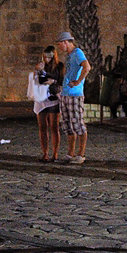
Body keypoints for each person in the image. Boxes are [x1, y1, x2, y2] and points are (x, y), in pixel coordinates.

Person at [55, 31, 92, 163]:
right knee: (67, 125)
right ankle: (70, 153)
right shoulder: (70, 56)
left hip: (74, 94)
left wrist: (77, 82)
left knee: (78, 124)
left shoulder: (77, 53)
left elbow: (87, 67)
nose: (60, 47)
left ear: (66, 42)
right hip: (65, 94)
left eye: (60, 44)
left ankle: (80, 154)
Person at [34, 45, 64, 162]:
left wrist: (53, 81)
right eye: (45, 57)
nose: (47, 59)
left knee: (54, 126)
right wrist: (37, 70)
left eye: (49, 57)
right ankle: (45, 153)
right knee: (42, 127)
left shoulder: (59, 67)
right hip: (41, 98)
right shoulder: (41, 66)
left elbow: (62, 80)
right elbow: (36, 80)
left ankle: (55, 153)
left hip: (53, 98)